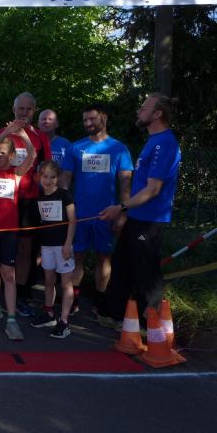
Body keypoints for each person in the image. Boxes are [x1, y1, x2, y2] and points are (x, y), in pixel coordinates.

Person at [99, 93, 181, 329]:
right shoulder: (153, 140)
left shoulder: (165, 143)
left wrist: (120, 208)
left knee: (146, 272)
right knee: (122, 264)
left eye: (144, 108)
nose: (139, 111)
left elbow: (153, 189)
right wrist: (126, 211)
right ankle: (114, 314)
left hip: (150, 219)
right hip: (136, 216)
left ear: (158, 114)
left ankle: (150, 327)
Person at [61, 103, 132, 314]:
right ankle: (73, 297)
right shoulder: (76, 148)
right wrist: (64, 209)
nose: (88, 123)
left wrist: (123, 212)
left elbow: (125, 183)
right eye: (85, 120)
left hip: (106, 214)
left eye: (92, 118)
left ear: (104, 118)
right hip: (79, 214)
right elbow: (65, 181)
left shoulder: (119, 148)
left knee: (104, 257)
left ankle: (100, 299)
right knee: (77, 256)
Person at [0, 92, 52, 316]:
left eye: (28, 109)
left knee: (26, 248)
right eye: (20, 109)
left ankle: (21, 294)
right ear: (13, 109)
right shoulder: (0, 133)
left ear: (34, 111)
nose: (24, 113)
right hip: (2, 199)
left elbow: (47, 168)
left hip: (28, 199)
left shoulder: (41, 137)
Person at [0, 121, 36, 341]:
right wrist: (5, 133)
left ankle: (11, 319)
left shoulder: (16, 173)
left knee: (8, 273)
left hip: (10, 231)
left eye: (4, 154)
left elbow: (32, 155)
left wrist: (23, 135)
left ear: (11, 156)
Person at [30, 161, 76, 339]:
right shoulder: (39, 198)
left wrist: (67, 244)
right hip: (47, 246)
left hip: (62, 245)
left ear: (58, 178)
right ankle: (49, 313)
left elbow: (72, 220)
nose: (48, 181)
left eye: (52, 177)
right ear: (39, 177)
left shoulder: (65, 195)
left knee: (65, 284)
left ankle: (64, 321)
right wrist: (40, 250)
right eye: (45, 177)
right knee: (48, 281)